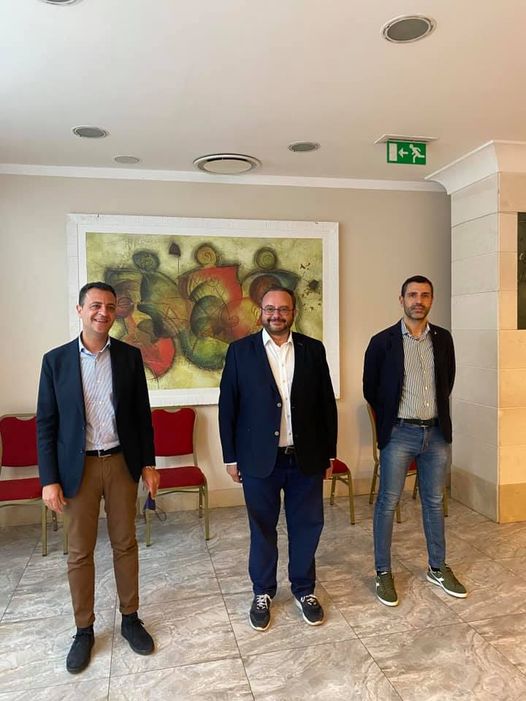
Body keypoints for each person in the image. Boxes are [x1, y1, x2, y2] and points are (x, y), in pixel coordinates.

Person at [37, 281, 160, 674]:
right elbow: (46, 424)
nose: (102, 313)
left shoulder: (128, 357)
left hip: (121, 463)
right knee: (79, 552)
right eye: (94, 305)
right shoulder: (55, 362)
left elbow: (141, 415)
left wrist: (149, 464)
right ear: (80, 310)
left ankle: (130, 618)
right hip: (78, 470)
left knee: (126, 544)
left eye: (109, 306)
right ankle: (83, 630)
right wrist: (49, 479)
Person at [218, 286, 337, 631]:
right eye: (270, 309)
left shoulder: (313, 350)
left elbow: (325, 405)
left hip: (306, 459)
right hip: (258, 461)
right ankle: (263, 591)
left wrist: (329, 453)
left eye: (283, 309)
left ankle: (304, 589)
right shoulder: (240, 352)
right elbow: (228, 407)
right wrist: (230, 457)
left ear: (293, 312)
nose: (276, 315)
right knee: (262, 529)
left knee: (307, 526)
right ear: (261, 312)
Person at [363, 275, 467, 606]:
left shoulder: (443, 339)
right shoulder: (382, 342)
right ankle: (383, 572)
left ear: (431, 300)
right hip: (399, 434)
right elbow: (370, 388)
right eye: (412, 295)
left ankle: (437, 567)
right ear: (402, 300)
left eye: (424, 295)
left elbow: (447, 381)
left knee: (434, 501)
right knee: (388, 502)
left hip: (436, 435)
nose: (418, 301)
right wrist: (392, 422)